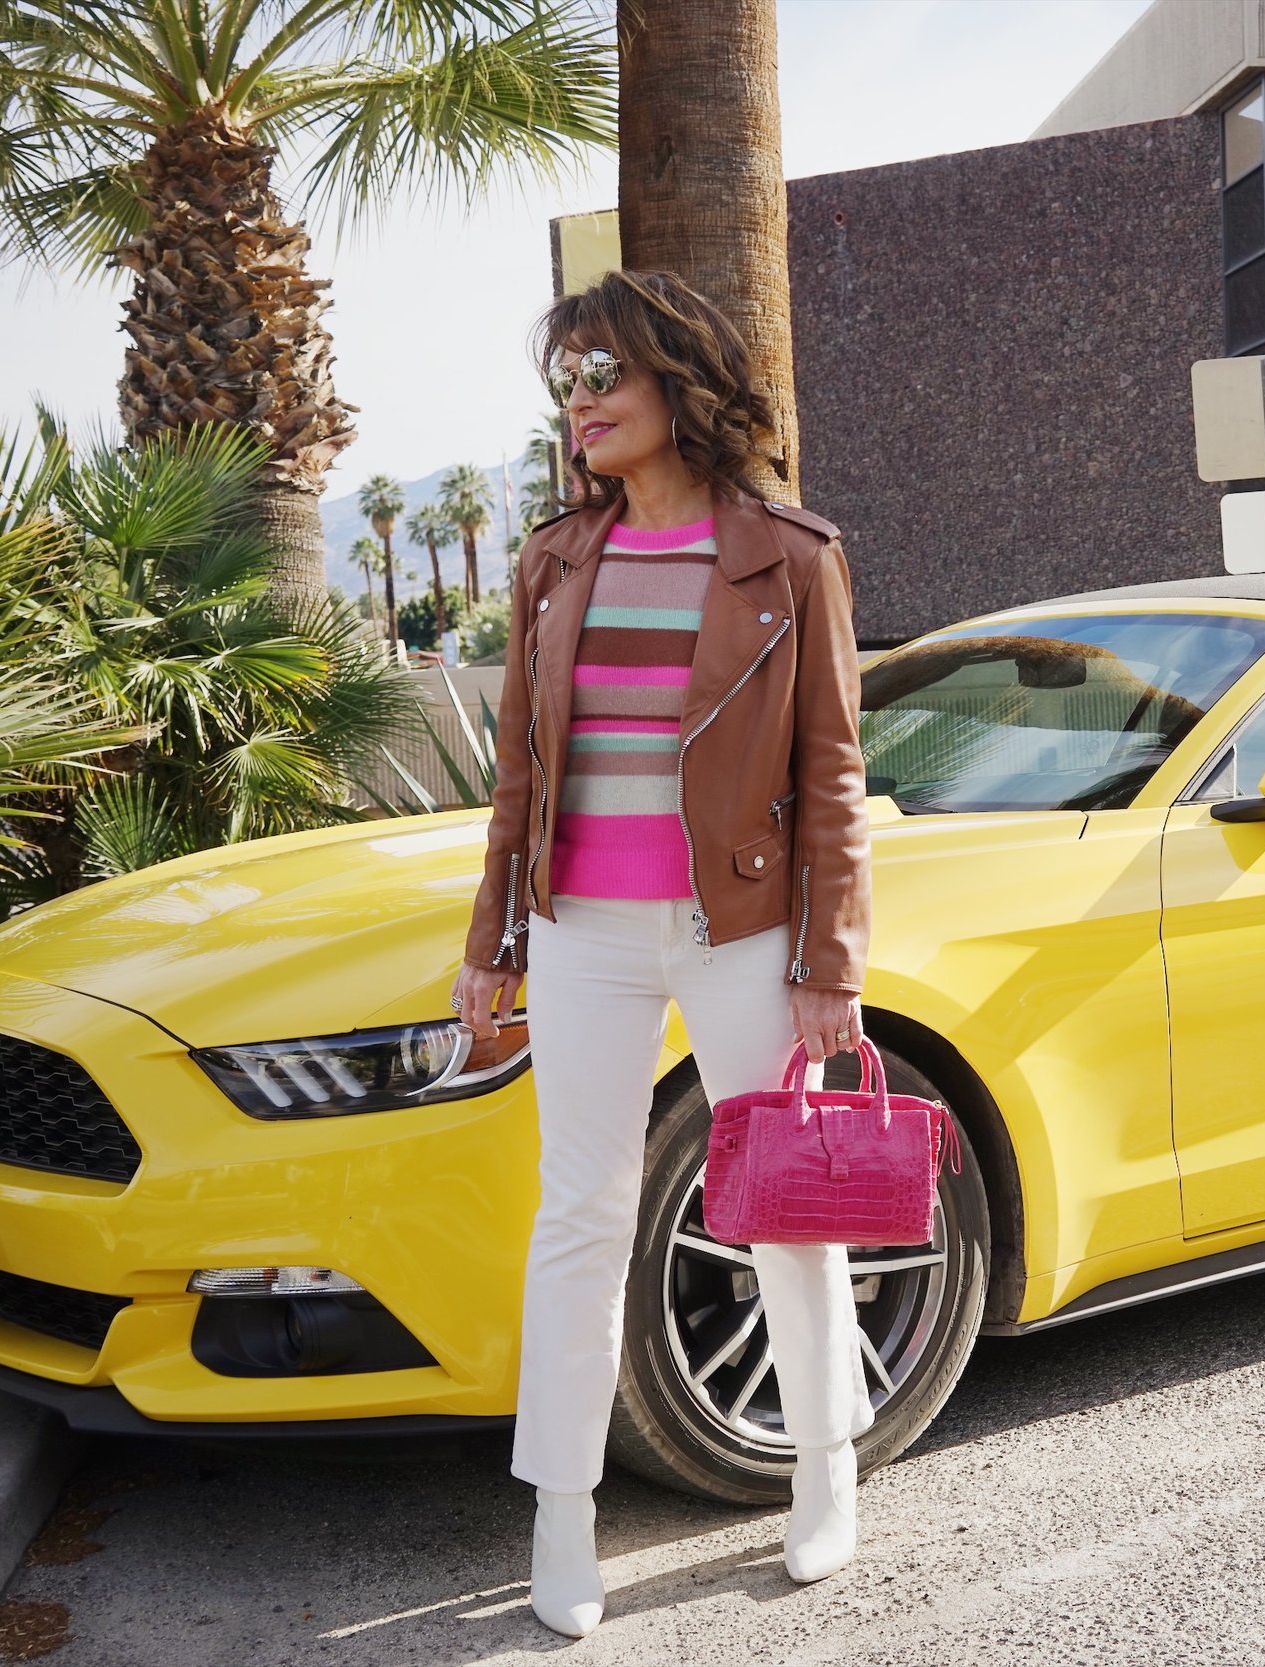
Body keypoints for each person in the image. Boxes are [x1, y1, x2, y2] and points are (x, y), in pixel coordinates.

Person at [450, 267, 874, 1638]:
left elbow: (831, 775)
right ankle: (563, 1514)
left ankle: (825, 1467)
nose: (579, 403)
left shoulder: (789, 558)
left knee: (781, 1211)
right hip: (581, 934)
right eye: (568, 378)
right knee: (577, 1216)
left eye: (603, 376)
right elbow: (520, 774)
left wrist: (830, 960)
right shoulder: (555, 561)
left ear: (677, 386)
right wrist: (493, 941)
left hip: (742, 934)